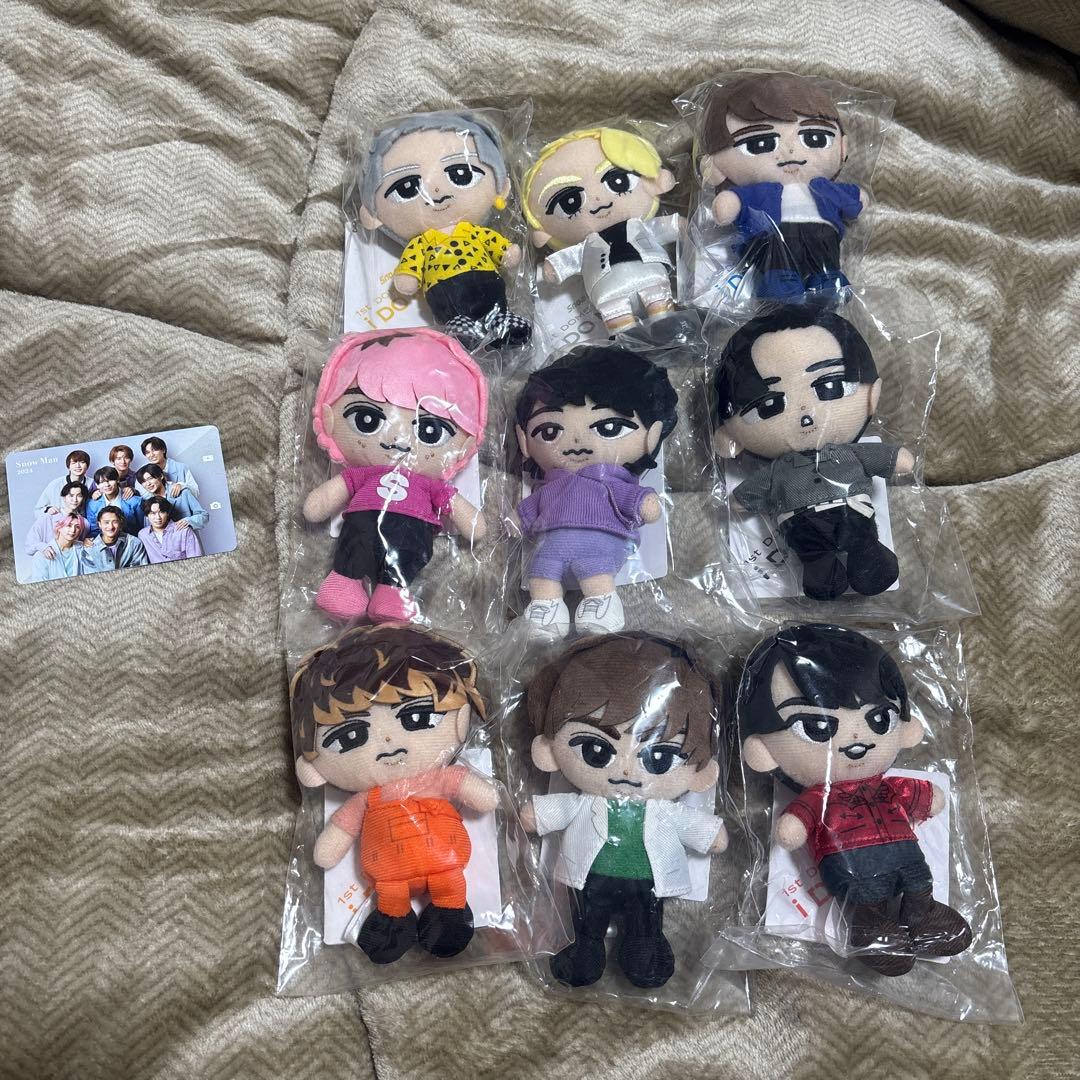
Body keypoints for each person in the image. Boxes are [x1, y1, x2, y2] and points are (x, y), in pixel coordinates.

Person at [738, 623, 972, 976]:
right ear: (763, 750)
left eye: (879, 719)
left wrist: (928, 797)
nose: (857, 738)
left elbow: (921, 796)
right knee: (866, 897)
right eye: (816, 728)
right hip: (854, 865)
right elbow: (794, 826)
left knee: (919, 882)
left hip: (905, 853)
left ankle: (922, 915)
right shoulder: (819, 796)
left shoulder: (887, 786)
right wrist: (794, 825)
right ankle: (871, 927)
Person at [519, 633, 727, 989]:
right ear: (549, 751)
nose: (627, 770)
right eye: (596, 750)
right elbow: (549, 813)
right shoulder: (585, 801)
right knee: (587, 921)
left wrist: (711, 835)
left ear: (700, 773)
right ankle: (585, 948)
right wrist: (534, 817)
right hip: (591, 878)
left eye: (658, 756)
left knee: (645, 922)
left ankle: (644, 949)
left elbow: (702, 831)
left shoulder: (664, 810)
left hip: (645, 882)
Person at [291, 624, 497, 965]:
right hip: (390, 877)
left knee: (449, 885)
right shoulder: (367, 799)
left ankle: (448, 913)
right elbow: (339, 833)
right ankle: (393, 921)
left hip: (445, 866)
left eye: (417, 716)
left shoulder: (437, 779)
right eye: (350, 736)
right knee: (391, 894)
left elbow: (482, 795)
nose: (387, 743)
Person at [712, 306, 914, 600]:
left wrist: (895, 458)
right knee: (815, 558)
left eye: (830, 386)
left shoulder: (849, 453)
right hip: (802, 524)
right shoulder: (778, 470)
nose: (805, 413)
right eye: (769, 405)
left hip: (851, 511)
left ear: (872, 395)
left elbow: (882, 458)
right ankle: (822, 569)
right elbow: (751, 492)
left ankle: (868, 556)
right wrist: (739, 500)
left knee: (861, 541)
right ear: (729, 436)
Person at [304, 328, 487, 623]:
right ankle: (344, 582)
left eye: (430, 430)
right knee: (355, 546)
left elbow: (471, 522)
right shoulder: (362, 474)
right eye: (367, 419)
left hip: (411, 533)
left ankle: (393, 592)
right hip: (362, 526)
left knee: (406, 555)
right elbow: (319, 505)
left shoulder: (430, 485)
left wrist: (473, 524)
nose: (397, 439)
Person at [512, 344, 678, 638]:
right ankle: (545, 608)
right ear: (524, 441)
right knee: (542, 571)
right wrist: (514, 521)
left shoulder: (610, 481)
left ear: (652, 435)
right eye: (550, 431)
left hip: (598, 546)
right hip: (549, 548)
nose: (577, 441)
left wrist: (645, 502)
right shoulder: (549, 487)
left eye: (609, 428)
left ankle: (601, 602)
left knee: (595, 570)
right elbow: (529, 509)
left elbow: (637, 501)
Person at [355, 111, 531, 349]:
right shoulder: (423, 242)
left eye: (461, 174)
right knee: (454, 313)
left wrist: (505, 251)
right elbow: (411, 264)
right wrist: (408, 277)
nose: (435, 191)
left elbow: (492, 241)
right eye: (407, 187)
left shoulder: (471, 231)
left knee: (495, 299)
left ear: (501, 185)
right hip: (443, 288)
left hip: (485, 276)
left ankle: (501, 321)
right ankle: (461, 328)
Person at [697, 72, 864, 299]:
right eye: (759, 144)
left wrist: (858, 198)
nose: (790, 151)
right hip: (775, 236)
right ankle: (779, 280)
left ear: (843, 147)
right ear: (714, 162)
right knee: (775, 260)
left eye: (814, 138)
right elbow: (734, 202)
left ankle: (828, 279)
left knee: (826, 256)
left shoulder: (823, 189)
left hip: (822, 234)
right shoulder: (760, 191)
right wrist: (729, 202)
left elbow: (853, 200)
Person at [523, 127, 680, 334]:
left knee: (658, 301)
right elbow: (567, 259)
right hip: (610, 291)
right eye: (570, 202)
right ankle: (626, 335)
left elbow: (664, 226)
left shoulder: (637, 226)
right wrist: (554, 267)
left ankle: (664, 323)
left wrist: (680, 226)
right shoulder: (585, 245)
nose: (598, 201)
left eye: (617, 182)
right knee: (617, 314)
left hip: (647, 277)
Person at [135, 464, 208, 529]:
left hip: (187, 537)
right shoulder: (147, 501)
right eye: (143, 481)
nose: (148, 484)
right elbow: (149, 529)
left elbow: (204, 516)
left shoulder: (183, 492)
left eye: (150, 478)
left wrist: (188, 521)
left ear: (161, 476)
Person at [25, 481, 88, 555]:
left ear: (83, 499)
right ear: (64, 497)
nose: (75, 500)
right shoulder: (48, 517)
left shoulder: (85, 523)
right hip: (47, 559)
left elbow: (80, 548)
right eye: (71, 495)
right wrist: (44, 547)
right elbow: (29, 546)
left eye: (79, 496)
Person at [81, 505, 150, 573]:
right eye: (106, 522)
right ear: (99, 524)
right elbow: (90, 577)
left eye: (115, 522)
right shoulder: (89, 549)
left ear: (120, 523)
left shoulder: (134, 543)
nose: (111, 527)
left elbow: (141, 572)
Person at [139, 496, 203, 562]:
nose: (158, 517)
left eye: (161, 512)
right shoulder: (143, 535)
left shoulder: (184, 531)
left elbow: (196, 560)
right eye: (153, 513)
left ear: (167, 513)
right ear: (147, 516)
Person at [85, 467, 145, 537]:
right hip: (105, 540)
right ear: (97, 485)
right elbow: (94, 531)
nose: (107, 485)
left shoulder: (135, 501)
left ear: (117, 480)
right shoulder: (92, 504)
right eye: (102, 482)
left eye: (110, 480)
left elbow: (142, 527)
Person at [30, 513, 88, 581]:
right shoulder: (41, 555)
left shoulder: (82, 549)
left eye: (77, 527)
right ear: (59, 528)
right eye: (69, 525)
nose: (73, 530)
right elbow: (39, 583)